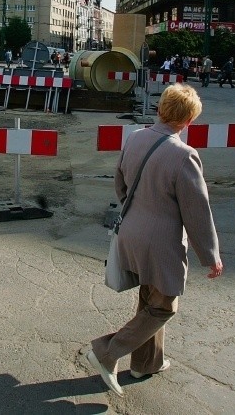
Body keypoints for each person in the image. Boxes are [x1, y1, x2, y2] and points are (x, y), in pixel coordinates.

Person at [85, 84, 222, 398]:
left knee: (149, 300)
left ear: (160, 109)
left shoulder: (135, 137)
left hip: (131, 232)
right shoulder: (185, 155)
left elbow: (120, 183)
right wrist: (210, 255)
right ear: (188, 121)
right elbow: (196, 211)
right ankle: (107, 351)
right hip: (161, 243)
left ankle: (146, 364)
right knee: (164, 306)